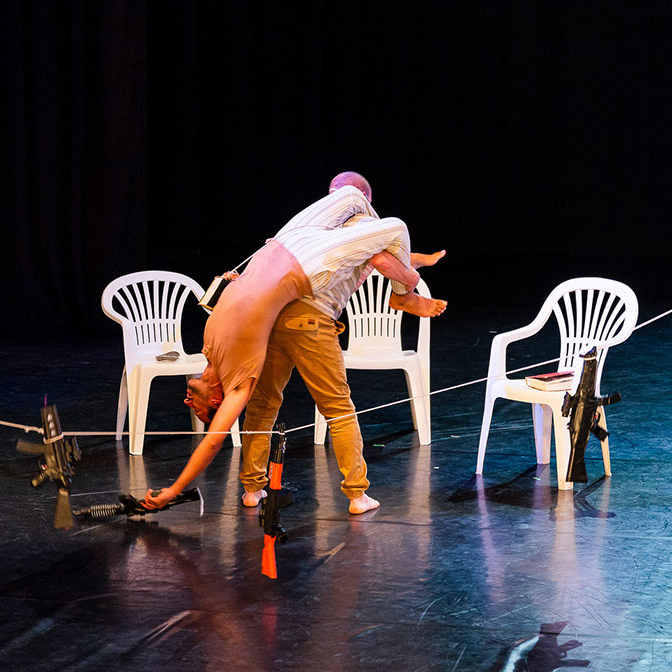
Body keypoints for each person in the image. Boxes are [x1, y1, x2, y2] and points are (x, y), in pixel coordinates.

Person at [141, 173, 446, 510]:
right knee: (337, 407)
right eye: (195, 407)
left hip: (283, 262)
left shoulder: (211, 349)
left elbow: (240, 301)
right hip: (307, 284)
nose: (186, 400)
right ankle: (357, 495)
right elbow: (213, 442)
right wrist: (174, 490)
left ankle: (252, 490)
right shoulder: (240, 380)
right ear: (217, 401)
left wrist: (234, 282)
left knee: (349, 195)